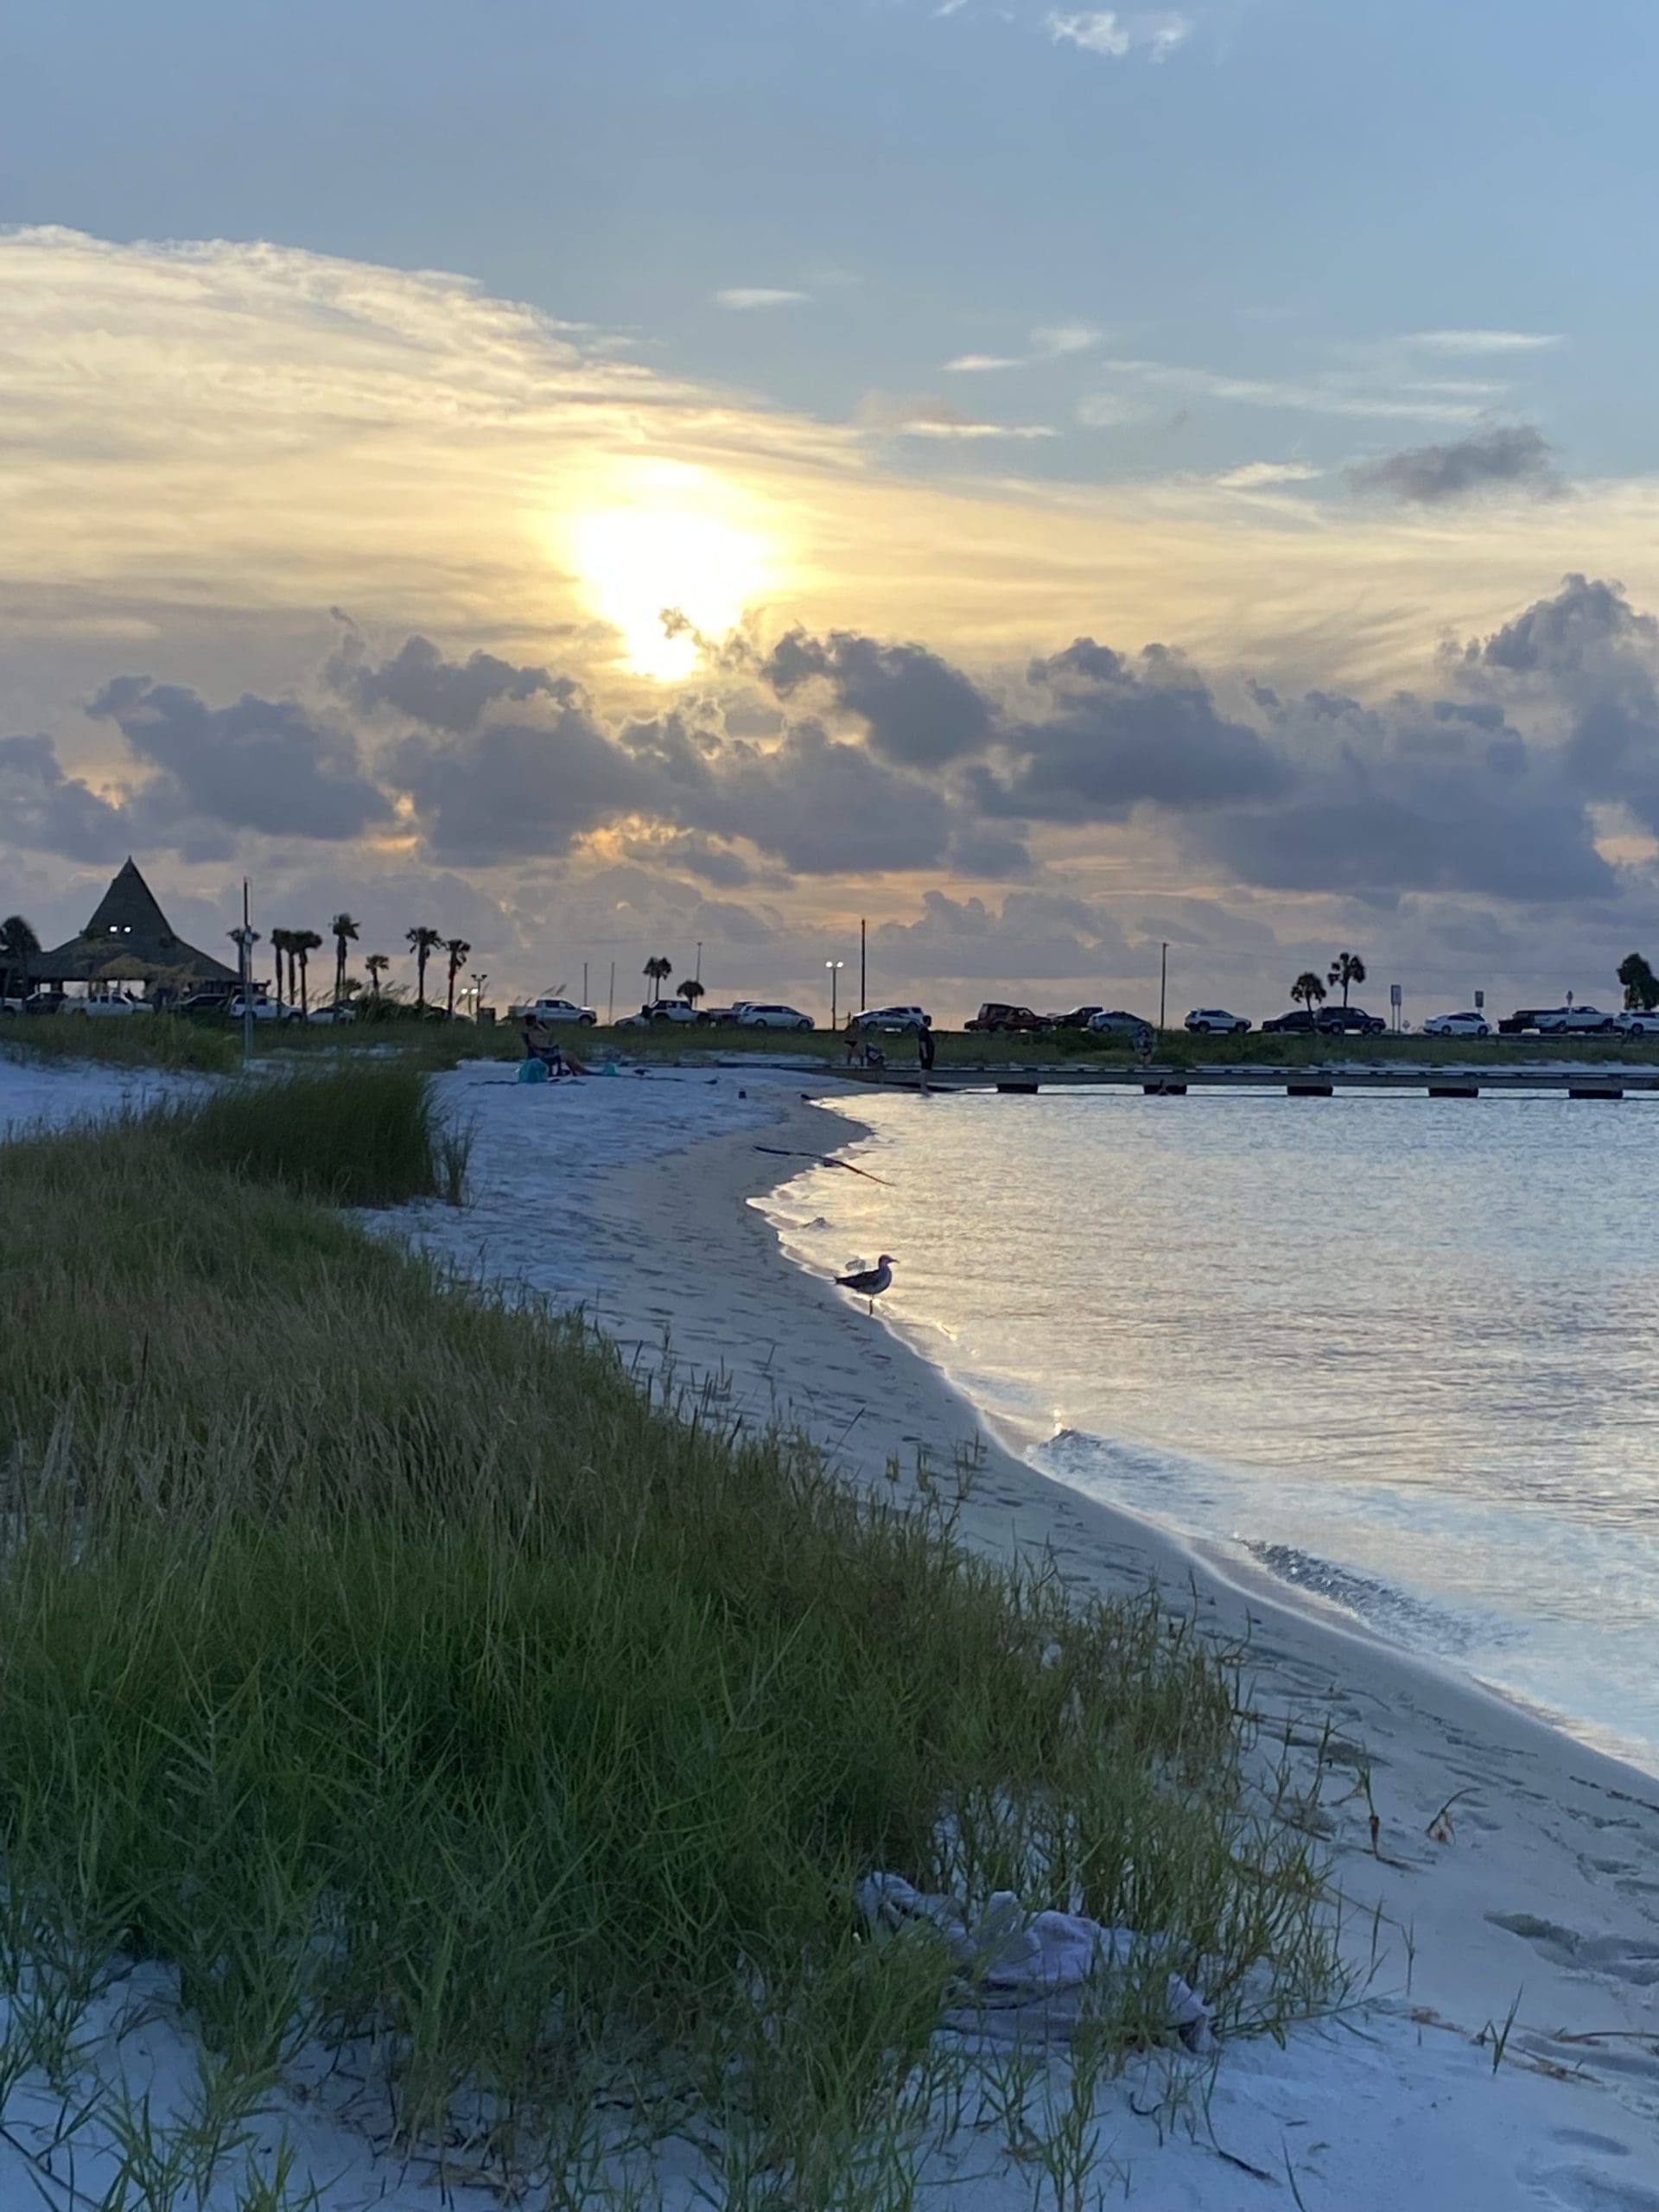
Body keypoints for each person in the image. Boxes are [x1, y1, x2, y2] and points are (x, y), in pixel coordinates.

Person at [917, 1014, 936, 1091]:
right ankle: (922, 1085)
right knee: (924, 1069)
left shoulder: (925, 1030)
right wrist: (925, 1053)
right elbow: (923, 1042)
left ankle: (924, 1084)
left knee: (928, 1069)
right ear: (928, 1021)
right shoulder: (923, 1030)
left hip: (929, 1053)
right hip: (926, 1053)